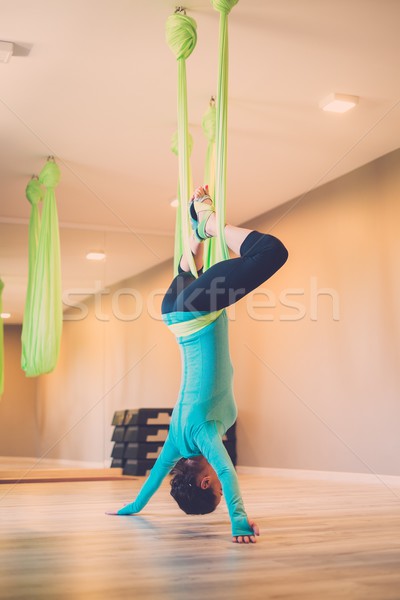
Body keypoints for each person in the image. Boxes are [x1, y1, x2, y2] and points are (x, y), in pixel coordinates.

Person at [107, 186, 288, 543]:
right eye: (223, 494)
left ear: (206, 482)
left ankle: (208, 221)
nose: (221, 485)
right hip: (175, 314)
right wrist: (133, 507)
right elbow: (154, 478)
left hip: (196, 314)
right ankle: (196, 227)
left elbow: (228, 472)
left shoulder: (204, 436)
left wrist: (238, 520)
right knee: (189, 269)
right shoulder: (176, 440)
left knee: (271, 252)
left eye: (216, 491)